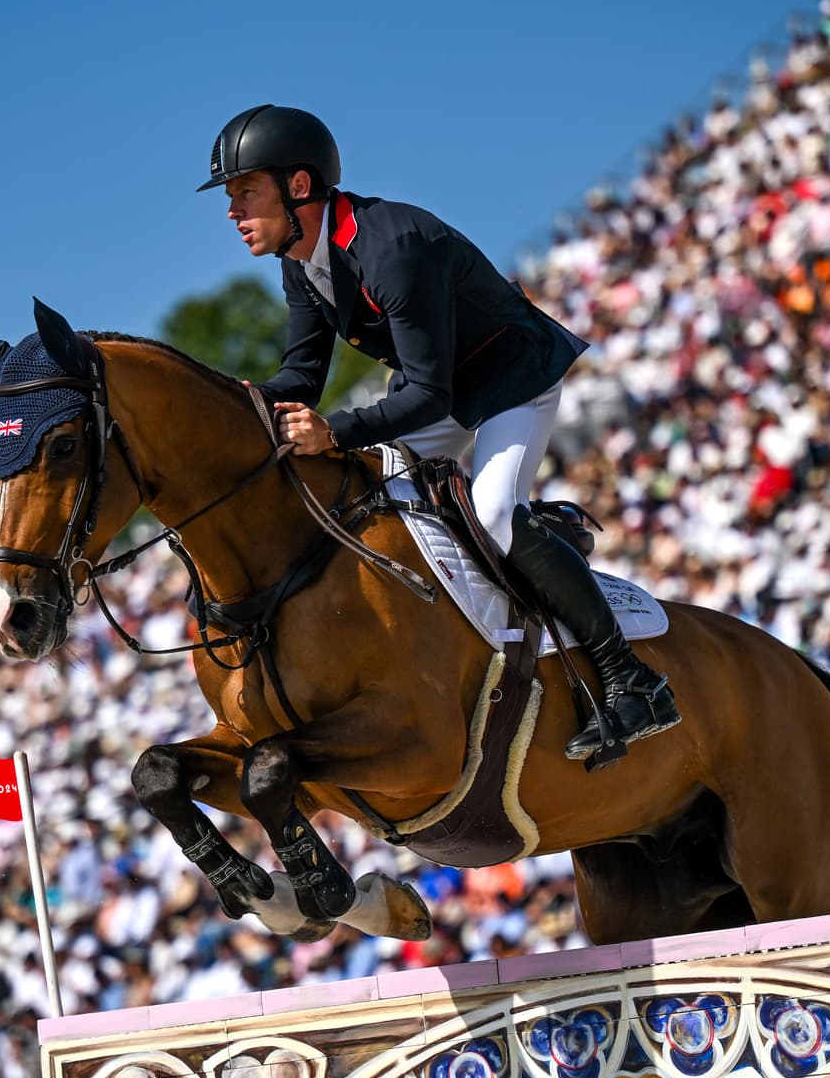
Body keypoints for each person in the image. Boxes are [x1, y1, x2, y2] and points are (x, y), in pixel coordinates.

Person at [198, 104, 679, 766]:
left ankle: (632, 680)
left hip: (511, 378)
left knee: (494, 514)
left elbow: (428, 395)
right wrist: (235, 406)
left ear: (298, 187)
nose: (233, 211)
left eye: (245, 192)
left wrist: (335, 432)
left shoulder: (389, 246)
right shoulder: (299, 259)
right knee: (365, 499)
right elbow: (302, 375)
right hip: (444, 391)